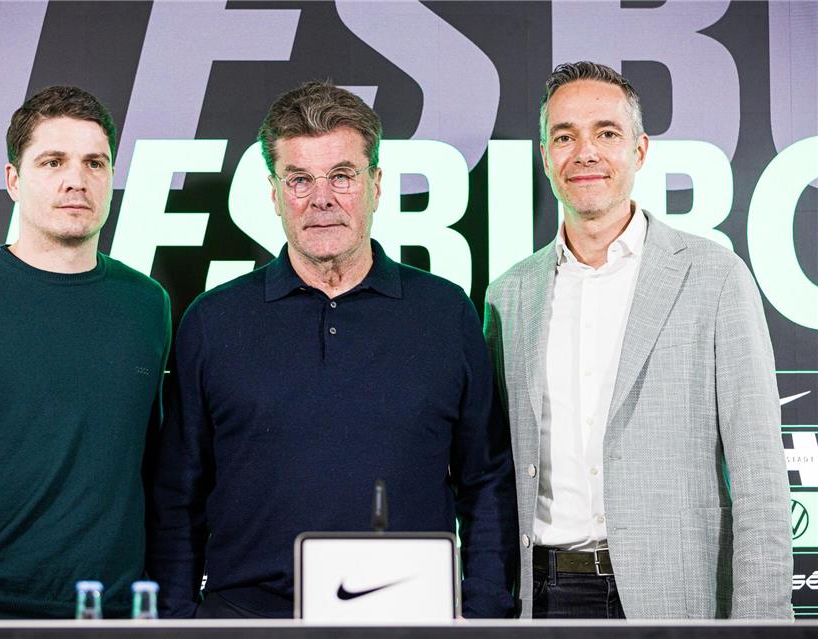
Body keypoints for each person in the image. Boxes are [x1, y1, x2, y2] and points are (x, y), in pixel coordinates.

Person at [148, 81, 517, 619]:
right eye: (299, 179)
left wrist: (482, 614)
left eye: (342, 176)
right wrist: (179, 624)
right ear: (274, 193)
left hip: (409, 622)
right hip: (245, 623)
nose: (321, 198)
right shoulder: (212, 320)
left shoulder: (445, 313)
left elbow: (485, 481)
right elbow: (175, 498)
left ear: (376, 186)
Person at [484, 61, 792, 619]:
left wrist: (762, 624)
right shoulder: (509, 296)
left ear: (640, 150)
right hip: (545, 599)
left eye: (606, 133)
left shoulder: (715, 277)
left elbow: (761, 478)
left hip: (676, 595)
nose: (585, 153)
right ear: (545, 155)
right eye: (564, 137)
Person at [0, 86, 171, 618]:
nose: (76, 179)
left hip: (116, 619)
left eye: (95, 162)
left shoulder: (146, 304)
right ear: (14, 180)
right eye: (52, 161)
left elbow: (153, 475)